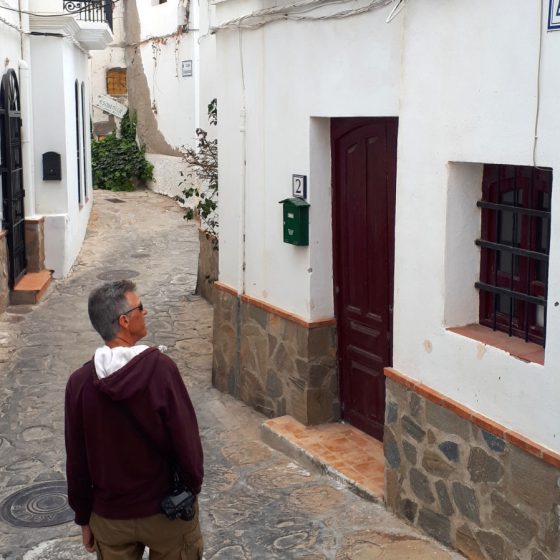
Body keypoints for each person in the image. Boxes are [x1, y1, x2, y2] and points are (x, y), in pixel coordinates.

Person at [64, 280, 204, 560]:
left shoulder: (79, 384)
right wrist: (192, 486)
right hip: (166, 512)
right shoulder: (162, 372)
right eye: (141, 307)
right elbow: (187, 441)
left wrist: (83, 518)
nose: (147, 312)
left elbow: (76, 460)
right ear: (125, 320)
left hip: (110, 518)